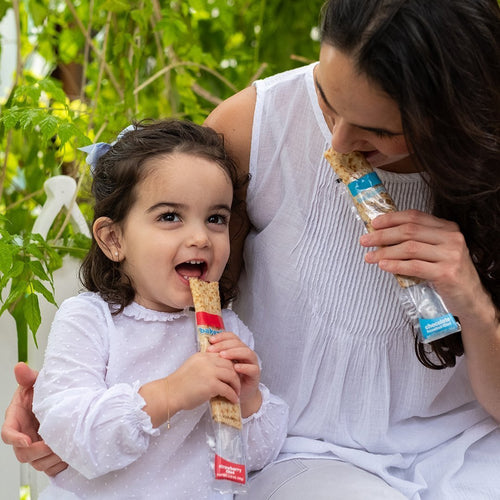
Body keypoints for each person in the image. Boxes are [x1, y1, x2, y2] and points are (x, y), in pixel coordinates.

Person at [2, 0, 500, 498]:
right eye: (328, 101)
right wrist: (65, 401)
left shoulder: (487, 155)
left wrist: (475, 307)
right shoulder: (252, 127)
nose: (340, 140)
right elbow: (160, 306)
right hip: (313, 455)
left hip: (469, 445)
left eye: (379, 129)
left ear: (451, 114)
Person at [26, 119, 288, 499]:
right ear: (113, 239)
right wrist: (171, 393)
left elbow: (257, 459)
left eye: (216, 218)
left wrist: (248, 401)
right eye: (170, 216)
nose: (200, 237)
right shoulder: (90, 321)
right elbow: (70, 434)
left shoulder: (227, 330)